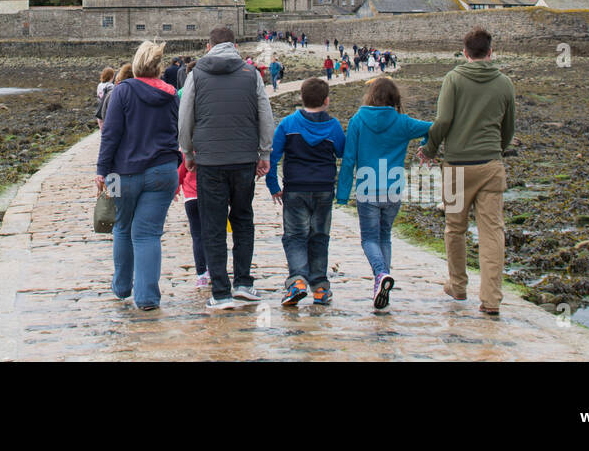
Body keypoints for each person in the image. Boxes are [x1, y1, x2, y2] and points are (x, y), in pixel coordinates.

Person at [417, 27, 516, 316]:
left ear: (465, 53)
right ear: (490, 52)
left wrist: (431, 149)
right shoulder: (504, 83)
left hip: (457, 167)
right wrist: (497, 147)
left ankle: (458, 285)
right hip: (490, 167)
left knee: (455, 228)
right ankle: (491, 299)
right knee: (492, 232)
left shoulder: (454, 79)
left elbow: (443, 119)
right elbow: (508, 129)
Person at [179, 25, 276, 310]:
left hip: (209, 160)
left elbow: (185, 118)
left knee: (213, 225)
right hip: (244, 159)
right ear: (235, 46)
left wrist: (187, 152)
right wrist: (265, 152)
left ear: (209, 47)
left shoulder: (196, 74)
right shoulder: (251, 74)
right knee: (244, 219)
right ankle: (244, 283)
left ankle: (220, 292)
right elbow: (265, 115)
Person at [95, 42, 182, 310]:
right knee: (147, 234)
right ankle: (146, 298)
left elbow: (110, 134)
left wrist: (101, 171)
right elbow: (178, 131)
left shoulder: (121, 92)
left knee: (122, 226)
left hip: (121, 176)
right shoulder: (172, 95)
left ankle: (122, 287)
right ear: (158, 67)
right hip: (163, 172)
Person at [337, 76, 431, 310]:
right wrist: (427, 147)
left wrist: (342, 193)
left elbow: (349, 159)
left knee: (369, 238)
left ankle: (380, 275)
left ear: (371, 96)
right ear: (395, 98)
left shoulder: (358, 120)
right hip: (393, 189)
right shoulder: (403, 122)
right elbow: (435, 127)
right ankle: (381, 283)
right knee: (384, 237)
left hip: (367, 189)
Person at [267, 77, 345, 307]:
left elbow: (273, 156)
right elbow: (342, 151)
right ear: (327, 100)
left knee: (294, 237)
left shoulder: (289, 124)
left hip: (295, 188)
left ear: (301, 98)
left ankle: (298, 281)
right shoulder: (333, 126)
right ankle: (320, 287)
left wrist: (273, 186)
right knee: (319, 237)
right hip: (323, 189)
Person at [96, 62, 132, 129]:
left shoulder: (99, 85)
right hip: (107, 110)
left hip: (99, 110)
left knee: (103, 127)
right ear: (112, 76)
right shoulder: (111, 86)